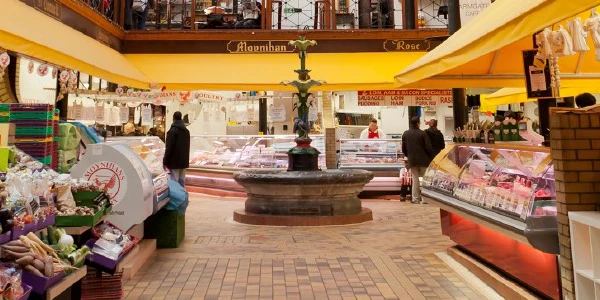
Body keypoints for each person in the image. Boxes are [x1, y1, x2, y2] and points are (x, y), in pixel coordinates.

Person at [402, 117, 433, 204]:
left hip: (412, 160)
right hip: (424, 160)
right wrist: (430, 157)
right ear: (417, 123)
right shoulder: (422, 134)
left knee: (415, 179)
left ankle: (415, 199)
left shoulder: (405, 134)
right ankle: (424, 199)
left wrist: (409, 156)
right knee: (424, 179)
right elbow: (428, 147)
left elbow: (403, 149)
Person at [163, 111, 191, 187]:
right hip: (184, 162)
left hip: (174, 162)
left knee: (175, 184)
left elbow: (169, 148)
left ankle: (176, 198)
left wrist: (165, 161)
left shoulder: (172, 131)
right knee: (182, 183)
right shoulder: (187, 131)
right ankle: (182, 198)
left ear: (173, 119)